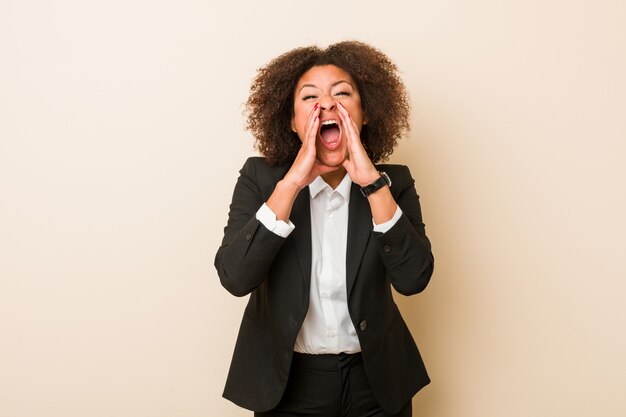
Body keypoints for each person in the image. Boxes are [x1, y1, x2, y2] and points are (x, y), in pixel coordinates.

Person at [214, 41, 434, 417]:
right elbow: (235, 277)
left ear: (365, 114)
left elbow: (414, 279)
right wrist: (292, 184)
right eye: (310, 96)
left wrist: (371, 183)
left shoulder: (393, 183)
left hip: (377, 385)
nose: (327, 105)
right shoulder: (261, 180)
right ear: (291, 120)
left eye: (343, 93)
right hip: (288, 387)